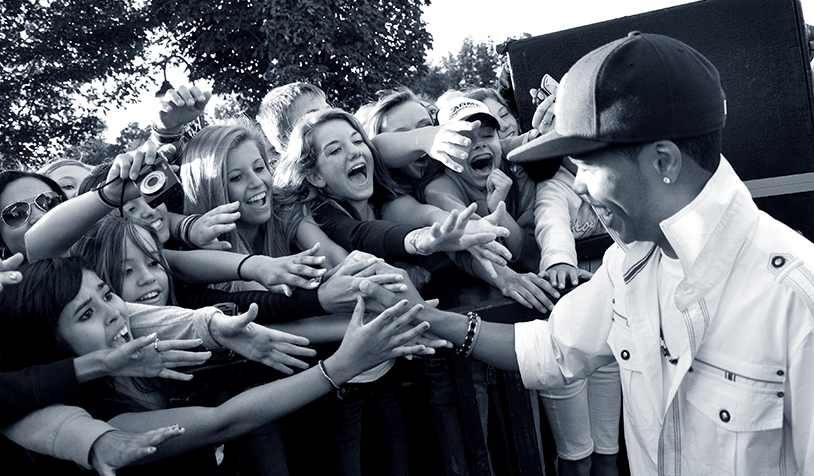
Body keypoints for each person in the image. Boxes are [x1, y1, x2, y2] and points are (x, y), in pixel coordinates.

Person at [360, 31, 814, 475]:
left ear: (664, 162)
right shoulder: (630, 263)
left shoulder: (797, 300)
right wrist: (430, 318)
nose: (576, 184)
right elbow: (551, 348)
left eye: (590, 163)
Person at [0, 256, 441, 474]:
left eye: (106, 294)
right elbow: (223, 422)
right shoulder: (102, 417)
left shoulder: (148, 357)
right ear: (52, 345)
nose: (115, 312)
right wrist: (341, 367)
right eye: (85, 314)